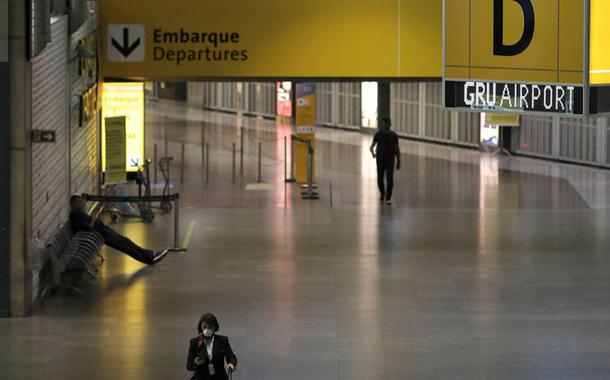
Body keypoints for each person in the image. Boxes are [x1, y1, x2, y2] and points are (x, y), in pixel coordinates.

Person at [69, 195, 168, 265]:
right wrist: (94, 220)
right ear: (74, 204)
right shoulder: (76, 216)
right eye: (79, 202)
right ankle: (148, 259)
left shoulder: (80, 213)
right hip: (100, 235)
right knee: (124, 246)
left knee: (126, 241)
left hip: (103, 230)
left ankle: (150, 254)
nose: (81, 203)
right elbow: (87, 228)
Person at [187, 313, 237, 380]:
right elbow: (189, 366)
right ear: (201, 327)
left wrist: (231, 364)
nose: (207, 329)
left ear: (215, 327)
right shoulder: (195, 342)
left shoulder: (222, 341)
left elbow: (232, 358)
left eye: (209, 327)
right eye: (204, 327)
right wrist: (195, 363)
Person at [370, 117, 401, 204]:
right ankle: (382, 193)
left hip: (390, 159)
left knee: (389, 178)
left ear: (390, 125)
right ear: (382, 125)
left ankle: (388, 197)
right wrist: (373, 153)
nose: (386, 125)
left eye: (387, 124)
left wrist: (398, 160)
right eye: (384, 124)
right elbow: (372, 146)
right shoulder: (378, 135)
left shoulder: (394, 136)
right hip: (380, 159)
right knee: (380, 178)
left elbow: (397, 149)